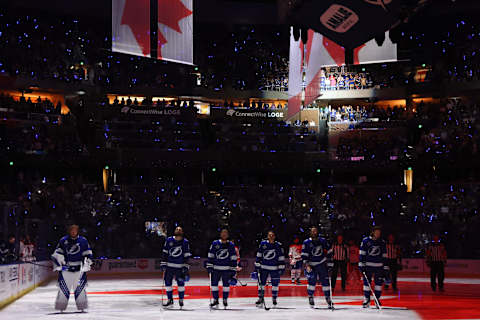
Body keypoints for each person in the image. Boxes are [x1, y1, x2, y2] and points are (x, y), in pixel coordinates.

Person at [51, 224, 93, 312]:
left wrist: (87, 263)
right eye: (71, 230)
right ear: (69, 231)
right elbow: (57, 253)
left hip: (79, 269)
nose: (73, 232)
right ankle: (61, 307)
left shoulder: (83, 240)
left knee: (80, 289)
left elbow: (88, 253)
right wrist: (58, 263)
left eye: (75, 230)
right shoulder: (63, 240)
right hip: (66, 268)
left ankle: (82, 307)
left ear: (77, 231)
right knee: (63, 289)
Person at [302, 226, 333, 309]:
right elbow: (304, 255)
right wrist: (307, 265)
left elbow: (329, 251)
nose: (314, 232)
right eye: (312, 231)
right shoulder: (306, 242)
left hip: (322, 264)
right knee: (311, 282)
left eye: (315, 231)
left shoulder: (322, 240)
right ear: (310, 232)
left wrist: (330, 264)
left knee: (325, 282)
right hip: (312, 265)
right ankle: (311, 297)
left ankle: (328, 298)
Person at [160, 226, 192, 308]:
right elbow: (165, 253)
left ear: (182, 232)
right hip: (169, 266)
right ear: (174, 231)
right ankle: (170, 300)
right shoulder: (169, 240)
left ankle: (181, 300)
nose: (178, 230)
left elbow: (186, 255)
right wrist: (163, 263)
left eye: (180, 229)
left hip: (180, 267)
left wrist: (185, 267)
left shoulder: (185, 242)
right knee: (167, 283)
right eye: (177, 229)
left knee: (181, 284)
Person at [206, 228, 237, 308]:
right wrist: (209, 265)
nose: (224, 234)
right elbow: (211, 255)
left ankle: (225, 299)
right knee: (214, 285)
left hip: (226, 269)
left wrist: (233, 269)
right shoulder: (215, 243)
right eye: (223, 232)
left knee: (226, 286)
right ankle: (215, 300)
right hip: (216, 269)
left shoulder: (231, 245)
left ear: (228, 235)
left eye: (226, 233)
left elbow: (233, 257)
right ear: (220, 234)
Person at [359, 226, 388, 308]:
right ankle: (366, 299)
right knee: (366, 283)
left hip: (379, 266)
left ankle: (377, 299)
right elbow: (362, 253)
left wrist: (385, 266)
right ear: (373, 232)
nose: (378, 234)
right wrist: (361, 264)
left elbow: (384, 255)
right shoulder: (365, 241)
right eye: (377, 232)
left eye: (379, 233)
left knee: (378, 284)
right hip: (368, 266)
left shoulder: (382, 242)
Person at [254, 230, 285, 307]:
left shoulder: (278, 245)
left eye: (272, 235)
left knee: (275, 284)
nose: (271, 236)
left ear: (274, 236)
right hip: (264, 268)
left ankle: (274, 298)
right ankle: (260, 298)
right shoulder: (263, 244)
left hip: (274, 268)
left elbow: (281, 256)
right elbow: (259, 254)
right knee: (261, 283)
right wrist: (257, 262)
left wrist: (281, 267)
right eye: (269, 235)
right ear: (268, 236)